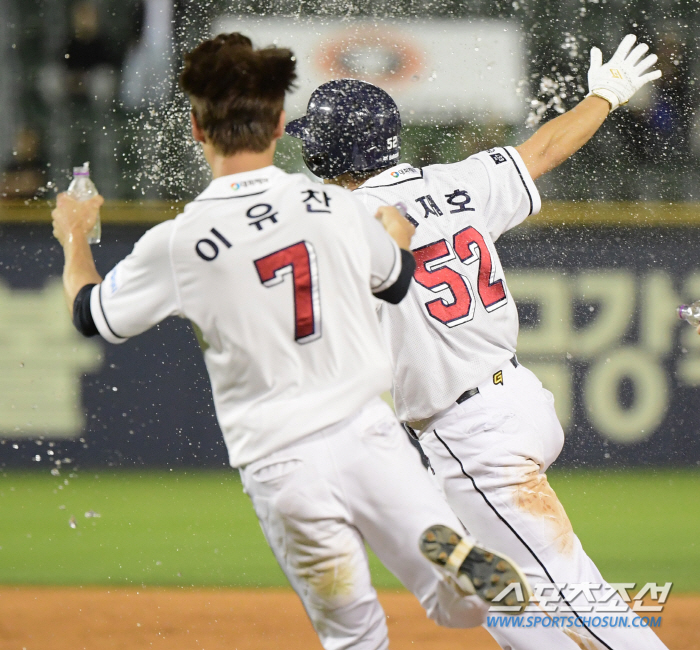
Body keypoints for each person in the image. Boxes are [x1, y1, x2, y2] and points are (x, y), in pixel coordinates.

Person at [50, 33, 530, 650]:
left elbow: (91, 315)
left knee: (355, 633)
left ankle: (449, 574)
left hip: (282, 462)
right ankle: (457, 572)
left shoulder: (181, 241)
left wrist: (75, 236)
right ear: (279, 125)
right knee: (455, 606)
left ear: (198, 129)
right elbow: (398, 281)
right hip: (369, 436)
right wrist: (397, 237)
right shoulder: (335, 206)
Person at [287, 34, 669, 649]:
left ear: (329, 150)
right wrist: (606, 95)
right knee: (505, 602)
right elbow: (544, 148)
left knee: (575, 594)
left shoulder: (340, 226)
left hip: (474, 436)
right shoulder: (463, 181)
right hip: (513, 398)